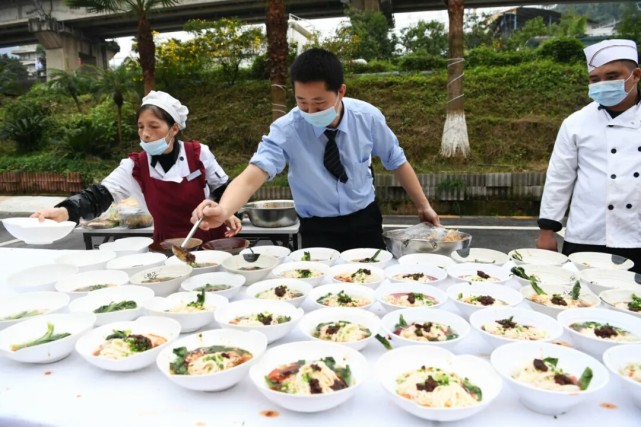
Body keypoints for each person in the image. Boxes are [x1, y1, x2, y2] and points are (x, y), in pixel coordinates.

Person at [191, 48, 439, 251]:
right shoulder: (287, 128)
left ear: (341, 91)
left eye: (319, 104)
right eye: (302, 102)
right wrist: (224, 210)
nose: (310, 112)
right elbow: (252, 176)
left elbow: (396, 161)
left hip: (364, 219)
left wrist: (423, 205)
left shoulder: (368, 117)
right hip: (317, 228)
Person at [32, 91, 241, 243]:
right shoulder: (135, 166)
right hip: (166, 246)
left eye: (154, 126)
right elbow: (97, 196)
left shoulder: (198, 154)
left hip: (210, 242)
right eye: (140, 127)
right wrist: (65, 210)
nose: (145, 134)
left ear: (174, 128)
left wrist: (227, 211)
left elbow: (224, 188)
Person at [536, 39, 641, 273]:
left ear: (635, 75)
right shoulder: (576, 123)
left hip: (637, 236)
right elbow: (559, 178)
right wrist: (547, 231)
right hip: (586, 234)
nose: (602, 84)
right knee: (578, 300)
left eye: (612, 76)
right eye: (595, 79)